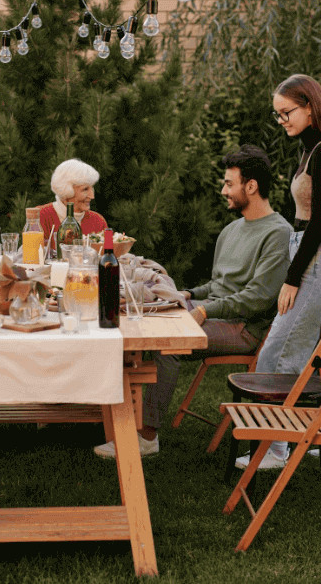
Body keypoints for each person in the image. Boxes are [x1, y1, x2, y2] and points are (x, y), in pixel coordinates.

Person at [94, 145, 292, 458]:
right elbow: (220, 284)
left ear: (251, 186)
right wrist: (187, 295)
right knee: (135, 321)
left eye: (229, 183)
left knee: (167, 343)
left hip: (244, 328)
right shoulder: (232, 230)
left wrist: (202, 310)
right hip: (215, 314)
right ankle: (111, 418)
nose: (223, 189)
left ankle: (146, 437)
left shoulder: (278, 233)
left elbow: (259, 298)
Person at [234, 74, 321, 471]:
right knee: (308, 350)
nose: (282, 120)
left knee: (279, 349)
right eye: (278, 115)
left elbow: (320, 221)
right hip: (310, 250)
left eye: (287, 112)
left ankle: (274, 448)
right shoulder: (311, 150)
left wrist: (292, 277)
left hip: (319, 253)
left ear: (309, 106)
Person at [38, 158, 107, 247]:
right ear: (66, 190)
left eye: (92, 188)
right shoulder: (41, 216)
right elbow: (30, 256)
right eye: (85, 189)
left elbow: (107, 257)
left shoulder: (98, 222)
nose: (92, 196)